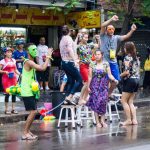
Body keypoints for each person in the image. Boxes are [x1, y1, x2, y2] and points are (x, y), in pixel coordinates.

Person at [21, 44, 53, 140]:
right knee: (33, 112)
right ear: (28, 51)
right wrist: (48, 56)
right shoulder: (29, 62)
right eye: (33, 49)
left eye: (36, 49)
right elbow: (43, 68)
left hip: (31, 91)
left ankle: (27, 131)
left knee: (33, 112)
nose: (35, 51)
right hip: (27, 91)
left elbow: (41, 66)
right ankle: (25, 133)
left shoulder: (30, 61)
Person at [100, 15, 137, 97]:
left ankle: (108, 95)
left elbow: (126, 37)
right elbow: (102, 25)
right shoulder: (103, 36)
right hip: (104, 62)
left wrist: (132, 30)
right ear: (106, 30)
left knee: (116, 80)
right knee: (105, 80)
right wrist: (111, 19)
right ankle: (103, 95)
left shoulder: (116, 37)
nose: (111, 30)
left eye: (113, 29)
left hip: (113, 62)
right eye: (109, 29)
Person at [86, 50, 118, 128]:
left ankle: (103, 121)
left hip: (104, 85)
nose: (97, 56)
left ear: (102, 55)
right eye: (96, 54)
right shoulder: (92, 64)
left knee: (103, 102)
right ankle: (97, 122)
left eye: (98, 54)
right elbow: (89, 77)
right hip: (95, 85)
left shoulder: (106, 64)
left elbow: (109, 75)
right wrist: (88, 86)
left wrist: (114, 79)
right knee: (96, 103)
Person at [59, 25, 82, 105]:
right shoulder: (68, 38)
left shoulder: (62, 39)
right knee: (79, 79)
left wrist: (77, 38)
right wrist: (75, 60)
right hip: (69, 62)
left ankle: (66, 98)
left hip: (64, 62)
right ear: (69, 31)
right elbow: (70, 49)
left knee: (71, 81)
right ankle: (70, 96)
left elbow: (73, 46)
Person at [120, 42, 140, 126]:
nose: (124, 49)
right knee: (130, 101)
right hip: (137, 80)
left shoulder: (127, 58)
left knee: (123, 101)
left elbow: (127, 72)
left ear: (127, 49)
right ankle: (134, 120)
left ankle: (128, 120)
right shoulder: (137, 58)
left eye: (125, 48)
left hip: (130, 80)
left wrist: (119, 75)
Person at [0, 47, 20, 114]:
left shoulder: (14, 60)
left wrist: (20, 74)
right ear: (5, 53)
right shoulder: (2, 61)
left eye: (10, 52)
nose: (9, 53)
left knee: (14, 93)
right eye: (8, 52)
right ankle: (6, 109)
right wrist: (5, 72)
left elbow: (15, 70)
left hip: (13, 78)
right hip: (6, 79)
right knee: (7, 94)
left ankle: (13, 109)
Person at [77, 33, 96, 105]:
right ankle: (81, 98)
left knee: (89, 82)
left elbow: (98, 46)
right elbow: (73, 48)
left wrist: (98, 39)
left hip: (90, 66)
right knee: (87, 82)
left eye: (87, 37)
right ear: (81, 38)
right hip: (83, 65)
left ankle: (84, 98)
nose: (86, 39)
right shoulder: (79, 46)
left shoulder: (89, 45)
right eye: (85, 37)